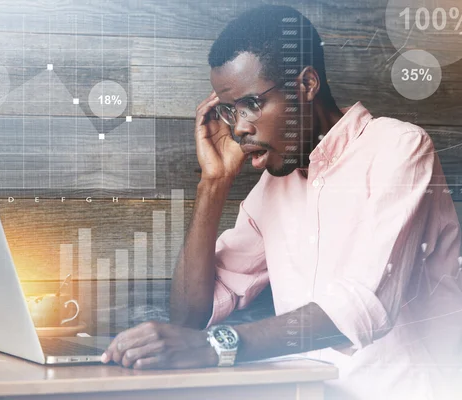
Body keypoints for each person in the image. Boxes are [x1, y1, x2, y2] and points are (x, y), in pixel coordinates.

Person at [101, 5, 462, 399]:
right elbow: (190, 317)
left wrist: (215, 346)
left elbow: (362, 306)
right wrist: (213, 183)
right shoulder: (273, 189)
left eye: (252, 104)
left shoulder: (399, 148)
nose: (239, 128)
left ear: (306, 84)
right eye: (229, 110)